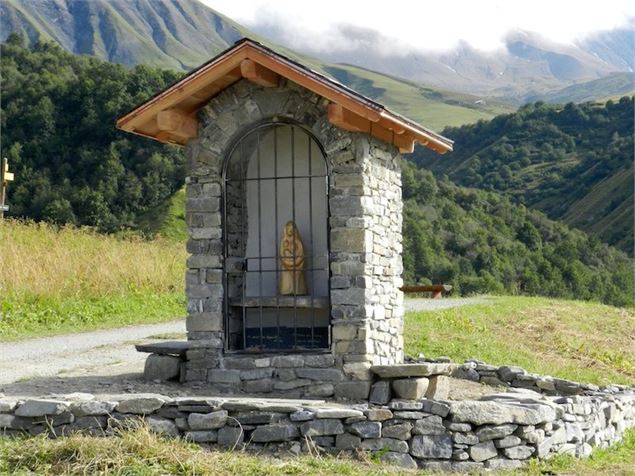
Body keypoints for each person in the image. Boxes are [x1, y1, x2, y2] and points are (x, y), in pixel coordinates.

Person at [279, 220, 307, 295]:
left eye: (292, 229)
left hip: (297, 264)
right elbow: (282, 254)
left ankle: (298, 291)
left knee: (298, 277)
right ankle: (287, 290)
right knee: (287, 279)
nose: (290, 231)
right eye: (289, 229)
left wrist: (296, 261)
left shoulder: (298, 241)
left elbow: (301, 253)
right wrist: (288, 261)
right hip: (287, 265)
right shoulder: (284, 241)